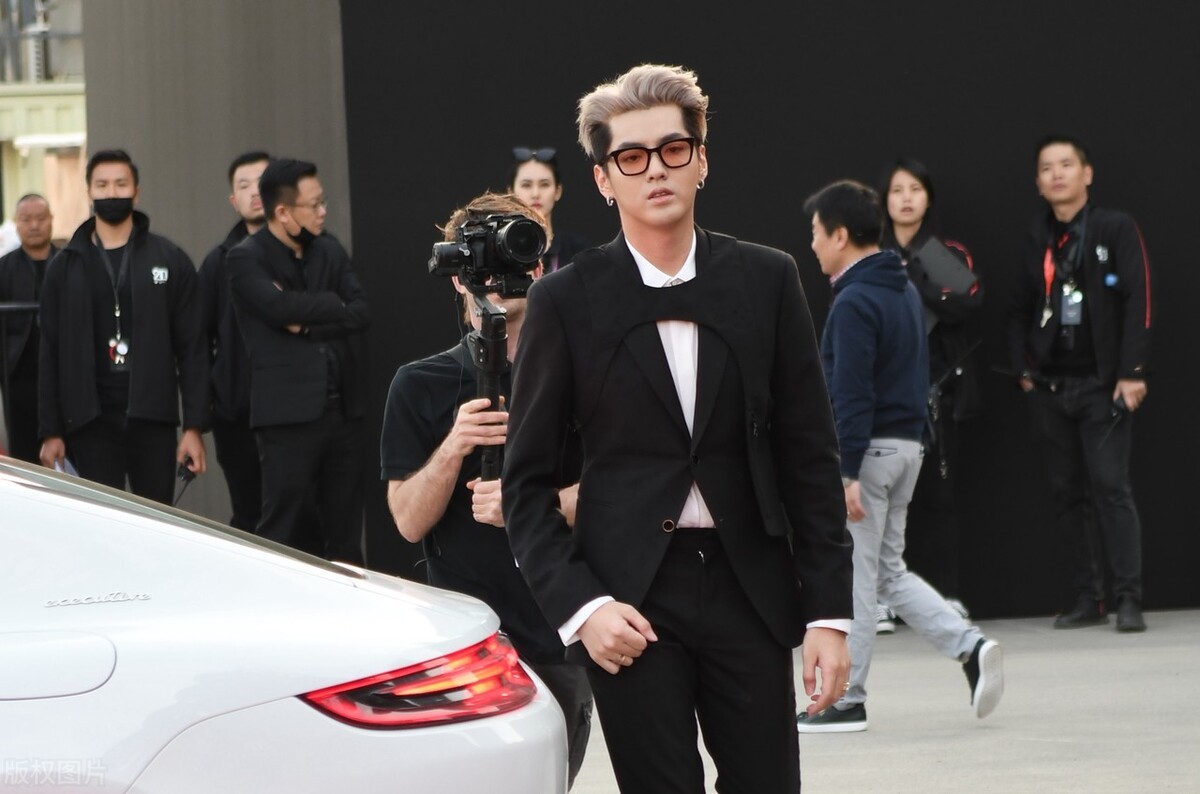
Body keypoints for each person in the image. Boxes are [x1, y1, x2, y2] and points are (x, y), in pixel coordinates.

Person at [502, 64, 853, 792]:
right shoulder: (565, 300)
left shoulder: (767, 279)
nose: (655, 170)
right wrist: (582, 608)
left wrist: (829, 613)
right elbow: (525, 485)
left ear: (701, 161)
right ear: (603, 179)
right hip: (627, 602)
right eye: (631, 157)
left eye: (672, 149)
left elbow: (809, 456)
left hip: (750, 590)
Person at [382, 192, 593, 788]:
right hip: (465, 642)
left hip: (560, 630)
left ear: (540, 265)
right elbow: (407, 521)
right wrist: (454, 446)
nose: (503, 275)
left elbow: (624, 491)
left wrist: (534, 505)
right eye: (485, 258)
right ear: (458, 277)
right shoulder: (419, 384)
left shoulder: (582, 376)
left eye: (518, 254)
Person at [796, 180, 1003, 733]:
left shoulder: (855, 300)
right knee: (888, 573)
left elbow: (851, 392)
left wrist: (846, 470)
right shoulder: (902, 288)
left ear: (841, 235)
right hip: (907, 447)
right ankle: (971, 647)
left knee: (857, 579)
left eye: (816, 233)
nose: (812, 244)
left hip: (868, 454)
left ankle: (846, 700)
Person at [1008, 134, 1152, 633]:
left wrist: (1132, 372)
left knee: (1111, 488)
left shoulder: (1114, 227)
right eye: (1047, 168)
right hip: (1051, 387)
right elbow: (1019, 307)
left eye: (1066, 164)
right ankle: (1088, 597)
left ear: (1087, 174)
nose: (1057, 174)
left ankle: (1129, 597)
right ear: (1037, 182)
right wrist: (1023, 370)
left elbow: (1140, 300)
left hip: (1102, 385)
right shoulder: (1036, 236)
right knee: (1066, 495)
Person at [38, 149, 207, 502]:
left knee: (156, 519)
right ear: (89, 192)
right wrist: (51, 431)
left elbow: (192, 347)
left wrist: (194, 426)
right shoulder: (64, 267)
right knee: (99, 520)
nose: (111, 193)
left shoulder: (169, 259)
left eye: (120, 184)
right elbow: (50, 351)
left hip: (153, 417)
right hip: (89, 420)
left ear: (137, 192)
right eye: (102, 185)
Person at [228, 157, 369, 563]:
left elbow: (360, 312)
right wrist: (331, 305)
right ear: (283, 213)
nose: (323, 212)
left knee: (346, 536)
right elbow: (274, 309)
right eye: (314, 205)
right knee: (283, 528)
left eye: (323, 202)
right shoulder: (245, 258)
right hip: (286, 417)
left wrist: (305, 321)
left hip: (342, 411)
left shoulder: (329, 248)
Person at [877, 158, 983, 627]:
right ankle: (880, 598)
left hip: (939, 390)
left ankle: (946, 595)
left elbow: (968, 303)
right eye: (897, 190)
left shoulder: (943, 251)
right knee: (881, 499)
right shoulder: (872, 250)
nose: (906, 198)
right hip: (882, 392)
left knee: (940, 497)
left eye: (915, 189)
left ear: (928, 198)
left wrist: (918, 278)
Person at [198, 150, 270, 531]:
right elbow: (198, 340)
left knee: (302, 519)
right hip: (237, 416)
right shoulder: (218, 263)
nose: (255, 192)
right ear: (233, 199)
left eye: (262, 182)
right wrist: (214, 401)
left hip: (301, 415)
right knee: (248, 516)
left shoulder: (314, 251)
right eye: (244, 186)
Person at [0, 194, 57, 462]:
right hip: (17, 375)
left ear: (51, 220)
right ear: (16, 222)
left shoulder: (70, 263)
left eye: (41, 218)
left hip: (64, 374)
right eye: (26, 219)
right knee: (23, 455)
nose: (34, 225)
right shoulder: (4, 268)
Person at [508, 146, 591, 273]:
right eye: (526, 185)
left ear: (557, 191)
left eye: (544, 184)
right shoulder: (501, 251)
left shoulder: (578, 252)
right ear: (511, 193)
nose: (535, 194)